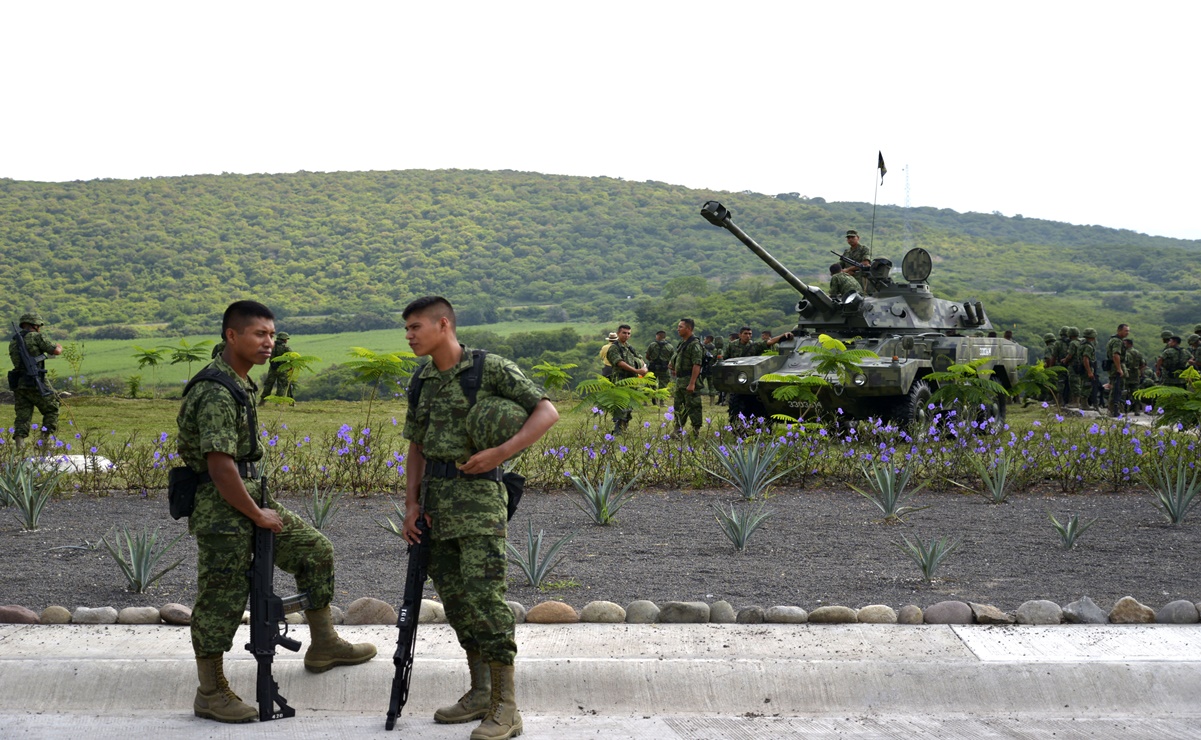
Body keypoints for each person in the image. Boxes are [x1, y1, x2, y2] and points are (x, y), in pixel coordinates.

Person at [176, 301, 375, 724]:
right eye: (258, 334)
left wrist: (260, 508)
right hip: (221, 506)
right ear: (232, 335)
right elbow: (219, 464)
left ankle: (323, 644)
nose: (269, 343)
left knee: (314, 550)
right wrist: (257, 514)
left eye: (271, 334)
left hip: (249, 497)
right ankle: (210, 691)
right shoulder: (215, 389)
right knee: (221, 595)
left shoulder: (241, 382)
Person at [399, 296, 558, 740]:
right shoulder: (422, 378)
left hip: (479, 501)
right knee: (457, 601)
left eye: (415, 327)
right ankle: (480, 691)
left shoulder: (490, 369)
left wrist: (501, 452)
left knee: (486, 599)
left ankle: (508, 707)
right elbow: (415, 446)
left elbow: (547, 411)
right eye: (407, 329)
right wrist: (411, 505)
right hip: (435, 503)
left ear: (443, 324)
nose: (409, 336)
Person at [8, 312, 62, 447]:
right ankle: (44, 440)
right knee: (52, 408)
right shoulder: (37, 337)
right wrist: (59, 346)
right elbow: (54, 351)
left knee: (22, 415)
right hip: (35, 379)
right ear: (35, 325)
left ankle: (19, 444)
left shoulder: (14, 340)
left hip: (19, 382)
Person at [723, 326, 794, 422]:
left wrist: (783, 336)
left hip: (750, 378)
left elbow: (770, 342)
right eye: (745, 334)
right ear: (740, 335)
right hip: (737, 379)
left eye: (750, 334)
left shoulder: (754, 346)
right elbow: (725, 359)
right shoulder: (731, 346)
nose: (748, 336)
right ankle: (737, 423)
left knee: (754, 404)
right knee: (736, 404)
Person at [606, 324, 647, 433]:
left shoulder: (629, 347)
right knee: (621, 405)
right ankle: (618, 428)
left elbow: (640, 358)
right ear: (618, 333)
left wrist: (644, 367)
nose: (626, 335)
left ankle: (624, 426)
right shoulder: (614, 348)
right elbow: (619, 362)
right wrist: (637, 371)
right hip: (620, 380)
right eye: (624, 333)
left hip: (632, 381)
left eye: (628, 333)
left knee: (629, 405)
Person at [669, 318, 705, 435]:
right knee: (678, 407)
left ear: (688, 329)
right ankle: (677, 430)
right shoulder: (683, 343)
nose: (678, 329)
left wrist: (692, 383)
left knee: (694, 406)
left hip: (689, 380)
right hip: (680, 381)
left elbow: (697, 364)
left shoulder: (695, 345)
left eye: (680, 327)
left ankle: (696, 431)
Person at [259, 331, 293, 401]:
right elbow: (292, 358)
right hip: (283, 369)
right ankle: (278, 402)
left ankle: (263, 400)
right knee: (282, 385)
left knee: (268, 384)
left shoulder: (271, 346)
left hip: (272, 368)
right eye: (286, 339)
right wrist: (290, 367)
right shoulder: (286, 347)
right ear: (283, 339)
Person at [644, 330, 674, 404]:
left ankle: (645, 401)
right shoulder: (670, 347)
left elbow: (647, 356)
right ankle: (661, 402)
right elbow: (672, 358)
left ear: (658, 336)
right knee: (663, 385)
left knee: (649, 383)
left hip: (653, 367)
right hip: (664, 368)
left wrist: (652, 361)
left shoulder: (652, 345)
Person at [1105, 324, 1129, 417]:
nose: (1127, 333)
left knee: (1115, 387)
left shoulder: (1112, 340)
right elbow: (1116, 355)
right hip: (1116, 366)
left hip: (1113, 366)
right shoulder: (1117, 341)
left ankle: (1114, 409)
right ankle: (1112, 409)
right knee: (1116, 388)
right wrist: (1119, 368)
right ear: (1119, 330)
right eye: (1125, 330)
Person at [1079, 328, 1100, 410]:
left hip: (1084, 368)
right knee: (1087, 385)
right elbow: (1085, 359)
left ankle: (1084, 403)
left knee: (1085, 384)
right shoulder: (1088, 346)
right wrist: (1089, 371)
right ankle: (1084, 404)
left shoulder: (1082, 344)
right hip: (1087, 368)